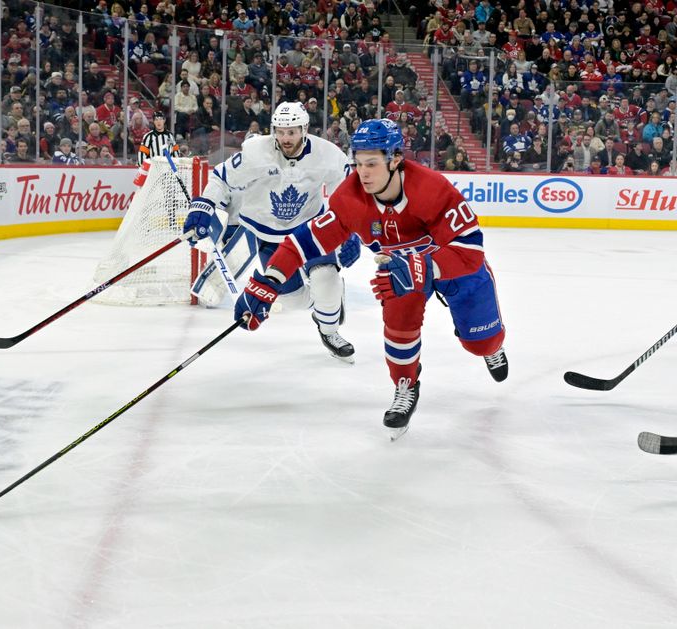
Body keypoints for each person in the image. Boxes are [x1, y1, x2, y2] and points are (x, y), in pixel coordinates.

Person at [232, 119, 508, 437]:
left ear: (395, 160)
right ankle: (405, 385)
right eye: (358, 162)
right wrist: (270, 280)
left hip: (454, 266)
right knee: (398, 313)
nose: (362, 172)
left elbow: (469, 250)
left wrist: (423, 267)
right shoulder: (350, 198)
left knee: (481, 342)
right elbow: (304, 241)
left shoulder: (431, 189)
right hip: (401, 272)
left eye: (372, 163)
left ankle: (491, 348)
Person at [183, 102, 361, 362]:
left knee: (326, 279)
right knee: (292, 300)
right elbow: (221, 178)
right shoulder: (255, 151)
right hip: (267, 234)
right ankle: (326, 305)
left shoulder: (328, 155)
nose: (285, 138)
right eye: (280, 131)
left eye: (292, 132)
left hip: (309, 230)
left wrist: (350, 229)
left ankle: (329, 330)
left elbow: (344, 195)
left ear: (305, 129)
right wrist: (205, 204)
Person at [132, 111, 179, 188]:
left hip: (168, 171)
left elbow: (175, 151)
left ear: (164, 120)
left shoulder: (170, 136)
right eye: (156, 119)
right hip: (153, 172)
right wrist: (144, 170)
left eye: (160, 119)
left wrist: (175, 166)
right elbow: (142, 155)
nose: (158, 122)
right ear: (153, 121)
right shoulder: (148, 136)